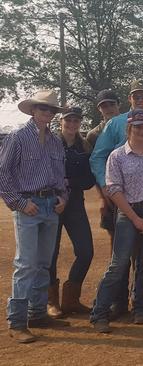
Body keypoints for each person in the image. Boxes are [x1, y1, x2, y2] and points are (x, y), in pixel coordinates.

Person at [90, 80, 143, 319]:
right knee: (120, 260)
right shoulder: (116, 125)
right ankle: (113, 305)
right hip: (122, 201)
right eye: (136, 96)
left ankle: (141, 305)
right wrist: (107, 190)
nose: (140, 99)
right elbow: (98, 157)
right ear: (129, 98)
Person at [0, 90, 69, 343]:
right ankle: (17, 322)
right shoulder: (17, 138)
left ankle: (37, 313)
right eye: (43, 109)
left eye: (51, 110)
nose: (47, 113)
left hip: (51, 204)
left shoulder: (54, 141)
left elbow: (61, 174)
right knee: (26, 264)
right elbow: (3, 174)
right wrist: (19, 202)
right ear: (33, 111)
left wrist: (63, 197)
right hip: (29, 205)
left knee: (43, 263)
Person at [47, 107, 96, 319]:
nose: (72, 124)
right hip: (52, 203)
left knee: (86, 251)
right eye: (68, 120)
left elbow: (89, 180)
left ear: (80, 123)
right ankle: (51, 301)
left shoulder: (84, 147)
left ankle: (71, 299)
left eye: (76, 121)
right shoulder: (49, 143)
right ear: (61, 122)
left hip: (75, 203)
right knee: (50, 253)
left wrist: (69, 182)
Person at [87, 89, 121, 246]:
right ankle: (118, 271)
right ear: (99, 109)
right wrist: (102, 197)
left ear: (119, 105)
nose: (108, 109)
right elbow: (94, 166)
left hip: (133, 189)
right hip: (109, 190)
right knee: (115, 237)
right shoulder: (93, 135)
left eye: (111, 104)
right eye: (104, 106)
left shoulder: (131, 126)